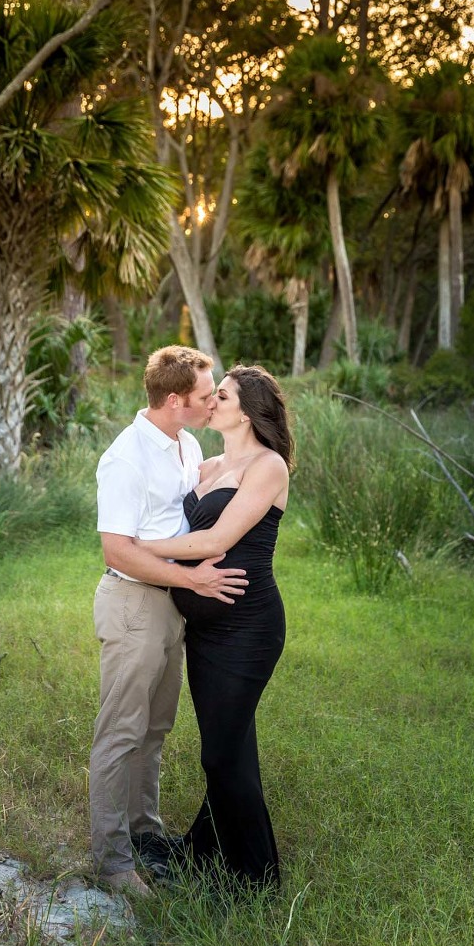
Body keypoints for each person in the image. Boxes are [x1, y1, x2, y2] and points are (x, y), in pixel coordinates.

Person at [90, 345, 247, 898]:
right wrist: (193, 581)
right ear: (176, 399)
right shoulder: (126, 457)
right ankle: (112, 864)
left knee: (154, 729)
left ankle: (146, 835)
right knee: (121, 732)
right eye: (206, 396)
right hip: (134, 603)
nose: (213, 403)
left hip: (171, 606)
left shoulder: (187, 443)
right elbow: (117, 550)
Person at [135, 363, 293, 891]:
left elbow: (214, 541)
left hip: (249, 630)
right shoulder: (206, 465)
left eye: (220, 396)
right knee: (229, 748)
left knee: (221, 754)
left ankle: (254, 880)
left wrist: (134, 547)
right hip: (205, 632)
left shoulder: (268, 467)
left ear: (245, 412)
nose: (210, 401)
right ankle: (203, 852)